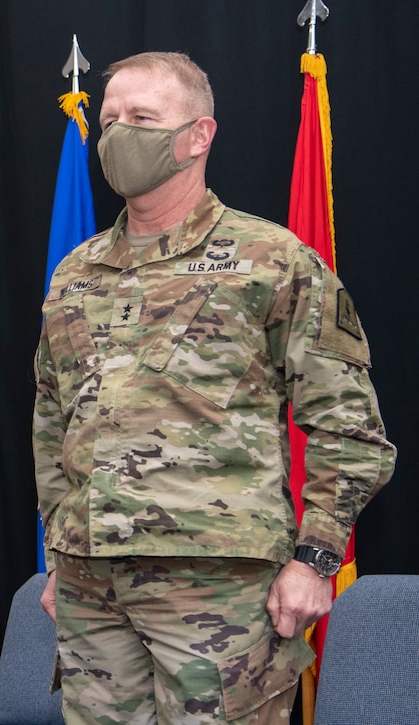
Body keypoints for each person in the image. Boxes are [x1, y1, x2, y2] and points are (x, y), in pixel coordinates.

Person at [33, 52, 396, 724]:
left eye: (142, 118)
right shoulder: (76, 273)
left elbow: (349, 424)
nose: (117, 133)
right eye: (110, 118)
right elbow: (54, 420)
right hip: (92, 589)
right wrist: (62, 549)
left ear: (199, 135)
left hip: (218, 591)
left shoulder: (272, 259)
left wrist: (317, 558)